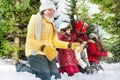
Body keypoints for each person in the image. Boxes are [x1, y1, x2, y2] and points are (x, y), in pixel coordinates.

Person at [24, 0, 83, 80]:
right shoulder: (35, 19)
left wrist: (70, 45)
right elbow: (30, 40)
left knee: (56, 77)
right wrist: (43, 48)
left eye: (53, 11)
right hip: (35, 52)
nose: (51, 12)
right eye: (49, 10)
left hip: (48, 54)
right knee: (46, 77)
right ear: (43, 10)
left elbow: (55, 42)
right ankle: (22, 68)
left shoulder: (51, 24)